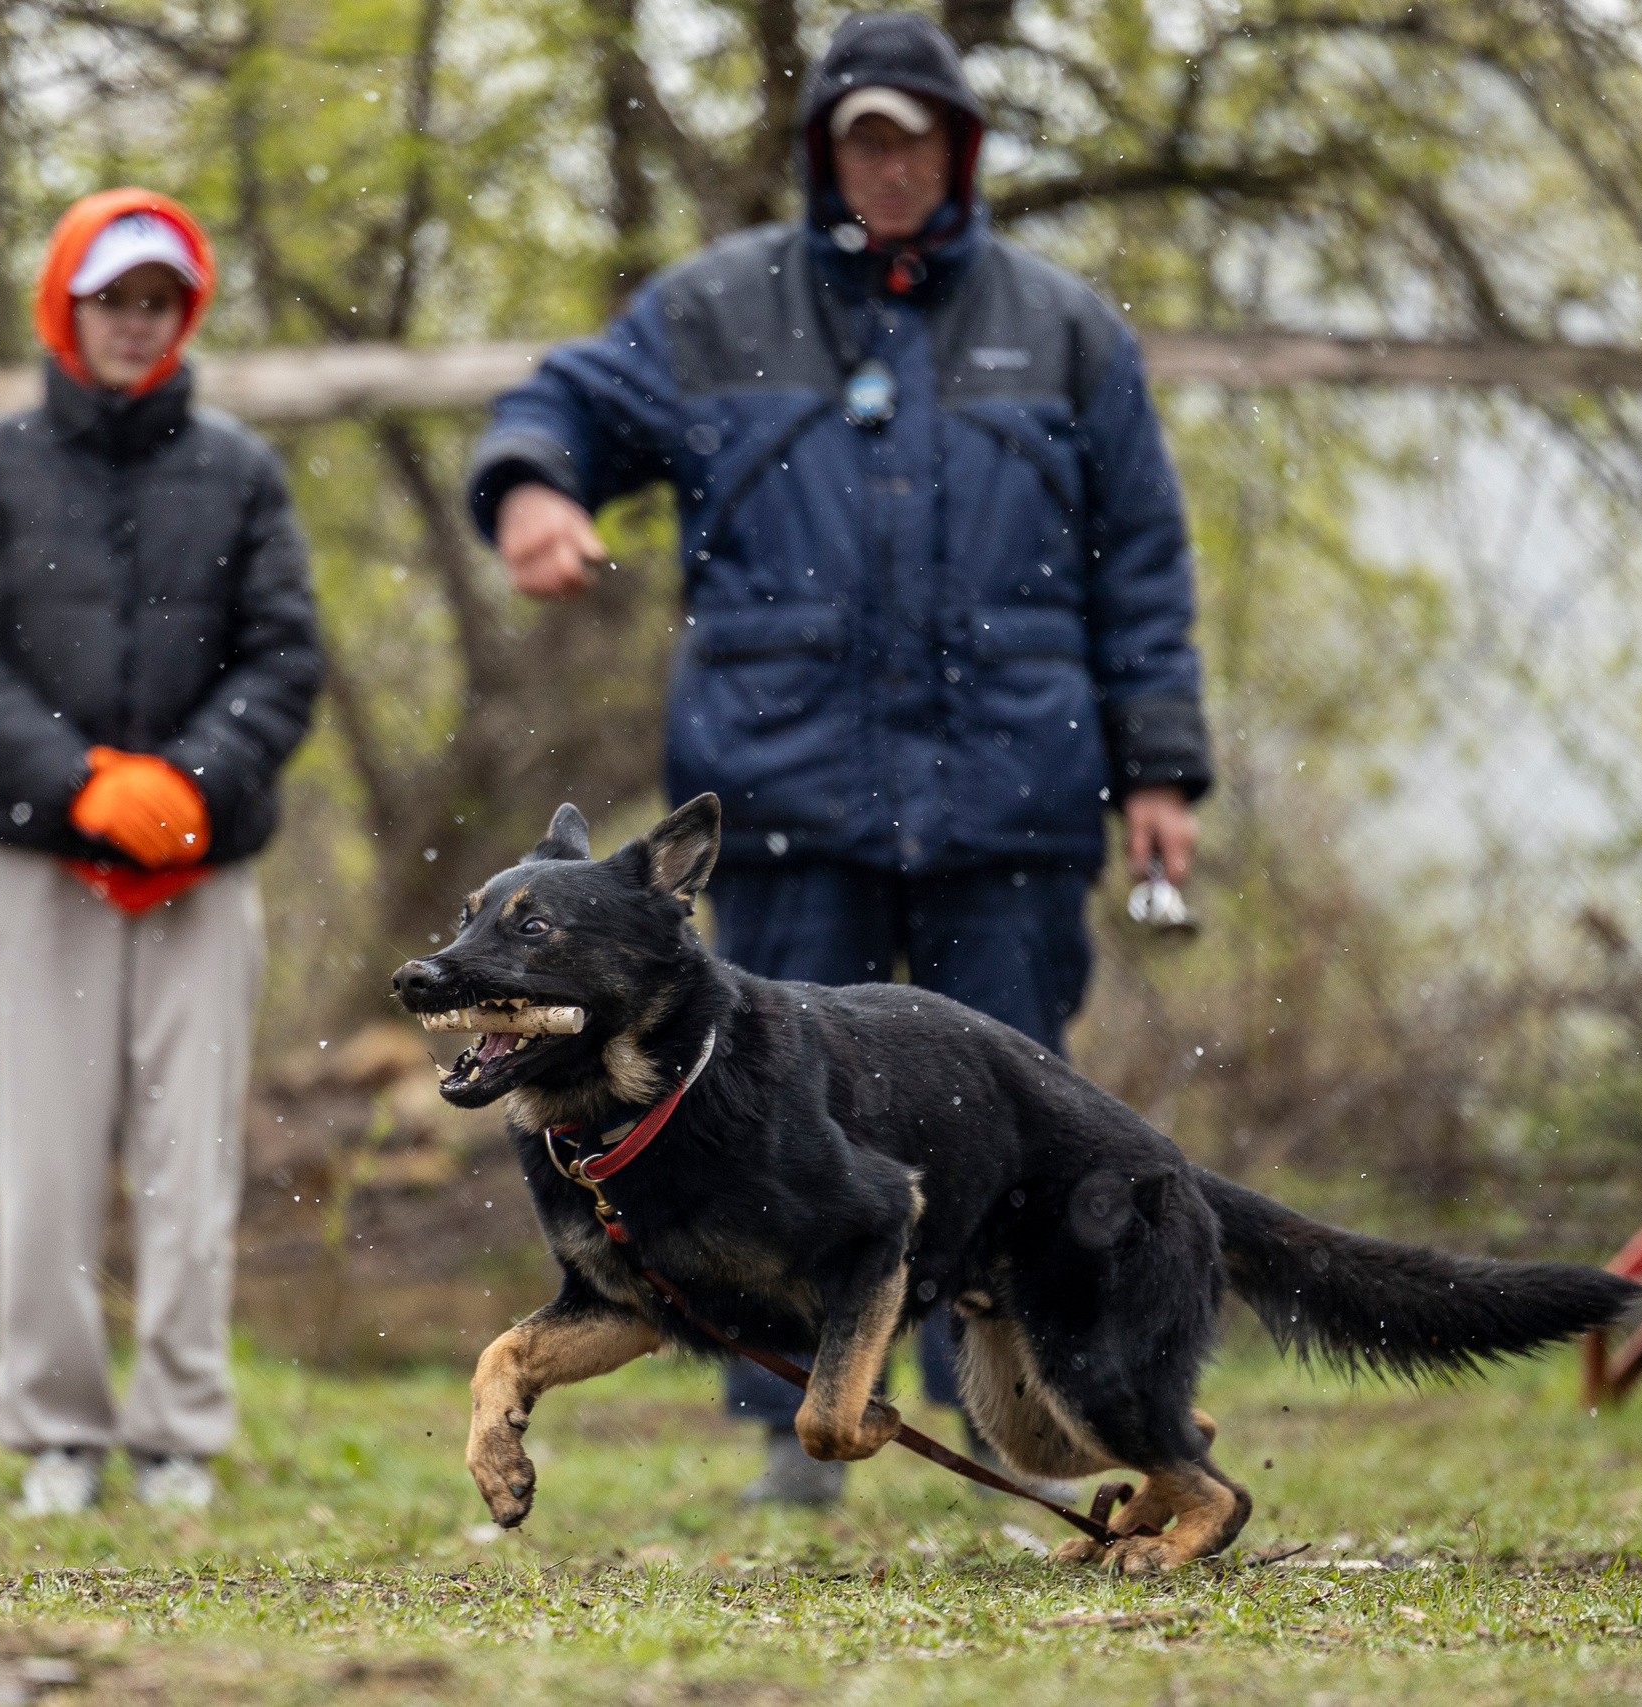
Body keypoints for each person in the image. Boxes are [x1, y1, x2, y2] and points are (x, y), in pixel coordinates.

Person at [465, 12, 1212, 1505]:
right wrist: (532, 489)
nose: (890, 163)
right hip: (787, 795)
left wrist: (1159, 770)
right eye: (864, 137)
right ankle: (791, 1446)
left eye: (915, 138)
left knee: (1003, 1141)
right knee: (754, 1135)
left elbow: (1141, 562)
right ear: (826, 153)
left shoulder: (1063, 329)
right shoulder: (717, 311)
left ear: (960, 154)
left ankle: (1017, 1430)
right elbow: (560, 404)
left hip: (1011, 799)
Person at [0, 189, 323, 1516]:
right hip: (33, 865)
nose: (136, 324)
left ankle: (180, 1429)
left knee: (190, 1152)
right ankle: (56, 1430)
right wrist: (81, 785)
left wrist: (189, 786)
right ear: (66, 307)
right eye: (113, 299)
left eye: (159, 301)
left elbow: (284, 656)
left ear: (183, 314)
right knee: (37, 1153)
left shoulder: (242, 470)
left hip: (206, 870)